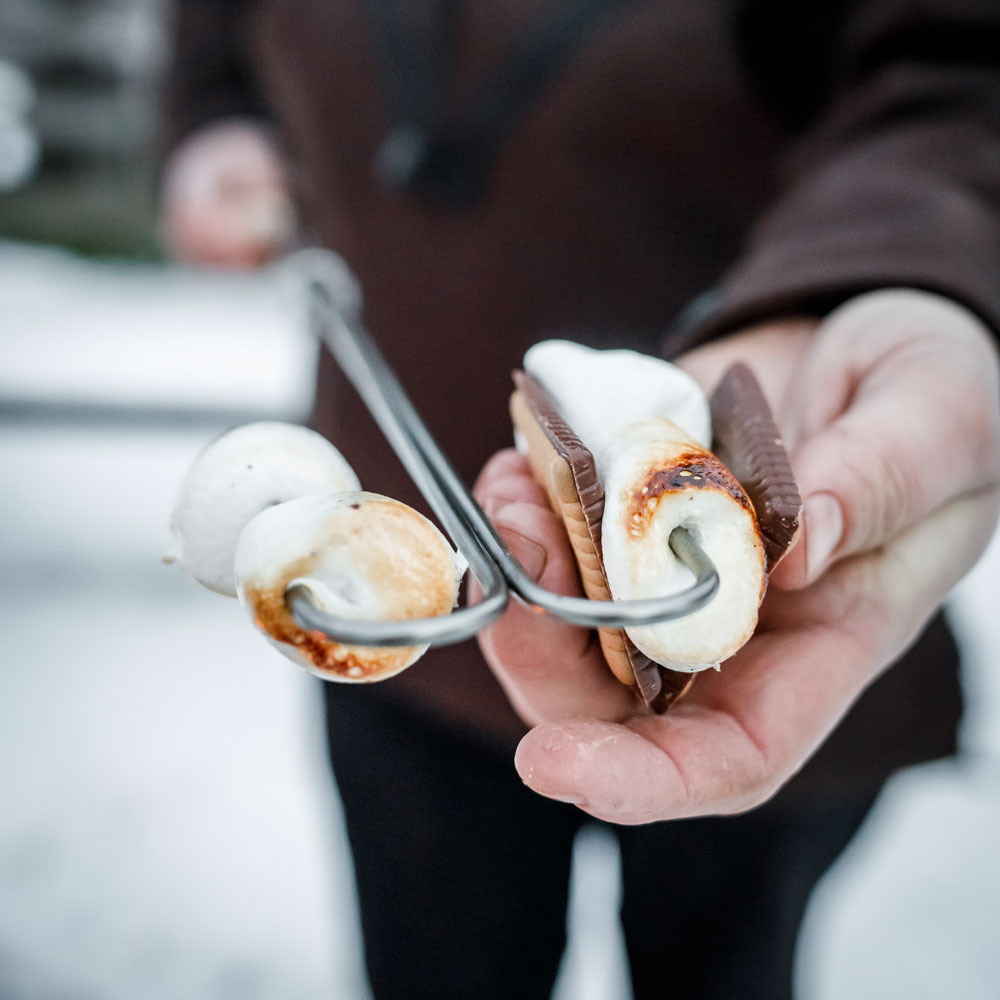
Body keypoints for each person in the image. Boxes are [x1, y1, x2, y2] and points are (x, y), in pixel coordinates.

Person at [161, 2, 1000, 997]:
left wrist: (901, 265)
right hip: (388, 606)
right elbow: (216, 33)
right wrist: (218, 123)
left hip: (767, 624)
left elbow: (957, 78)